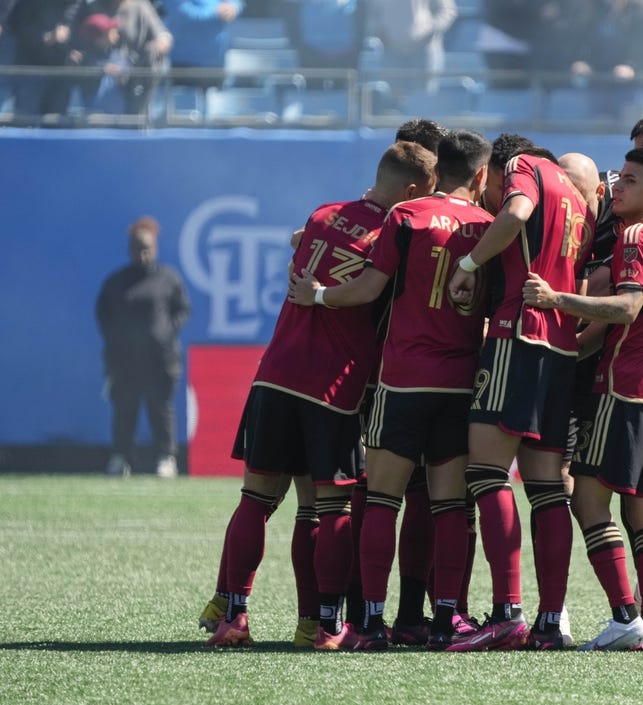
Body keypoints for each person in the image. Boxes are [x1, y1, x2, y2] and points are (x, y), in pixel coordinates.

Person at [202, 142, 437, 649]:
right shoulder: (398, 231)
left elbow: (299, 239)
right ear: (413, 192)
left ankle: (233, 615)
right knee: (331, 509)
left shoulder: (324, 212)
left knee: (256, 498)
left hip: (275, 374)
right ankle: (325, 624)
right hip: (334, 387)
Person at [288, 129, 496, 651]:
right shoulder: (492, 228)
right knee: (452, 507)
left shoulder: (406, 216)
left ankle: (371, 623)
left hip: (402, 378)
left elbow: (368, 288)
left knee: (380, 499)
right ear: (480, 176)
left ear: (434, 172)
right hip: (460, 382)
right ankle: (446, 621)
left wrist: (317, 296)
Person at [523, 145, 643, 652]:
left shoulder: (636, 236)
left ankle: (624, 615)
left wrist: (557, 300)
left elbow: (627, 306)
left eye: (630, 182)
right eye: (618, 180)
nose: (618, 187)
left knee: (587, 498)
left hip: (627, 384)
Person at [445, 133, 594, 652]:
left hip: (519, 334)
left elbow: (516, 214)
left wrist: (467, 266)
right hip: (561, 346)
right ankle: (550, 621)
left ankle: (508, 612)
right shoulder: (579, 197)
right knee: (548, 488)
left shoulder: (525, 167)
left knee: (486, 474)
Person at [95, 216, 191, 479]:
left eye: (147, 248)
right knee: (124, 409)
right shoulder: (116, 283)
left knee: (160, 409)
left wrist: (165, 333)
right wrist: (116, 340)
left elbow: (182, 310)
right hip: (125, 361)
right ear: (130, 250)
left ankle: (166, 458)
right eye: (138, 249)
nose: (143, 254)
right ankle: (120, 458)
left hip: (160, 359)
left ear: (155, 248)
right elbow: (103, 314)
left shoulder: (168, 279)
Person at [72, 0, 173, 116]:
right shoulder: (92, 6)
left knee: (156, 62)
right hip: (102, 73)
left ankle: (140, 118)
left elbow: (162, 35)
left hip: (135, 73)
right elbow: (79, 42)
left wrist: (161, 42)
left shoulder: (141, 6)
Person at [3, 0, 83, 117]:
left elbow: (81, 30)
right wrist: (46, 38)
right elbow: (15, 26)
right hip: (31, 72)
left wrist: (75, 51)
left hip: (61, 74)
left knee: (56, 123)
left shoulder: (77, 4)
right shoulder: (30, 3)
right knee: (27, 122)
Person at [373, 0, 457, 99]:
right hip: (391, 51)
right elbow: (372, 12)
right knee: (394, 103)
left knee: (422, 103)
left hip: (424, 52)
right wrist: (378, 30)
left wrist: (430, 28)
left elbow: (447, 10)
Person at [162, 0, 242, 88]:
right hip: (185, 66)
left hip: (216, 65)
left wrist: (233, 7)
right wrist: (217, 12)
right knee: (185, 101)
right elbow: (183, 14)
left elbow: (234, 3)